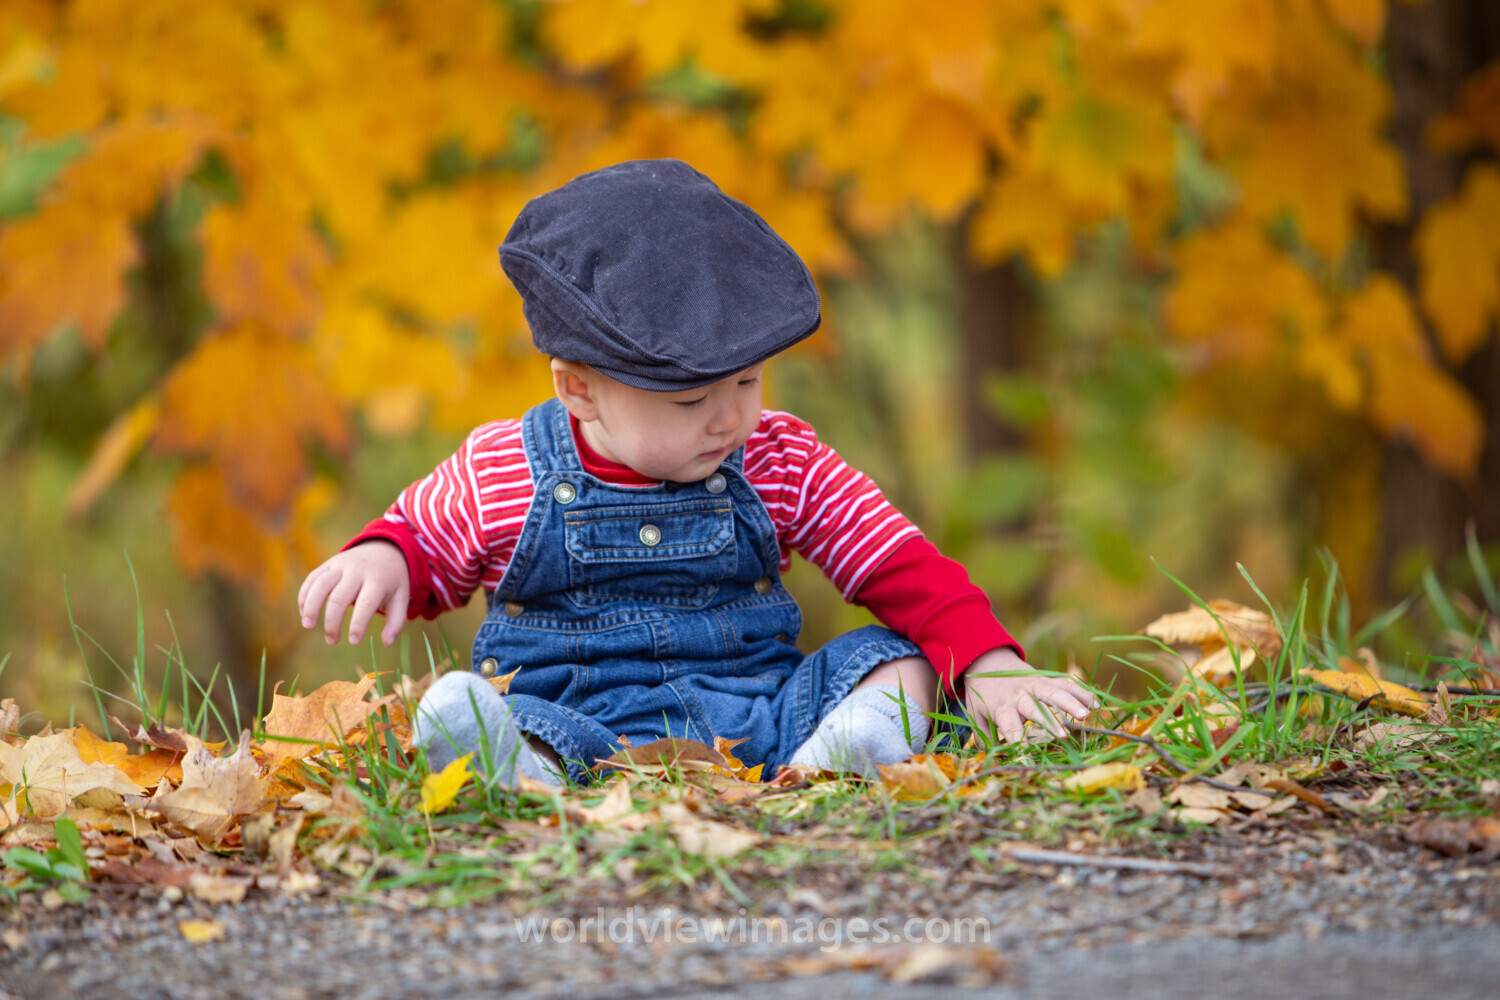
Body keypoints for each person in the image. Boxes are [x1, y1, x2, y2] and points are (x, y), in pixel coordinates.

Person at [297, 159, 1096, 786]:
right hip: (577, 725)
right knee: (490, 711)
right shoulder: (506, 468)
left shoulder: (777, 457)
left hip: (764, 720)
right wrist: (384, 557)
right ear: (579, 390)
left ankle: (847, 753)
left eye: (747, 382)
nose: (729, 419)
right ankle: (517, 772)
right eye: (689, 401)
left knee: (902, 657)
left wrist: (989, 665)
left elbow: (895, 560)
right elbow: (424, 540)